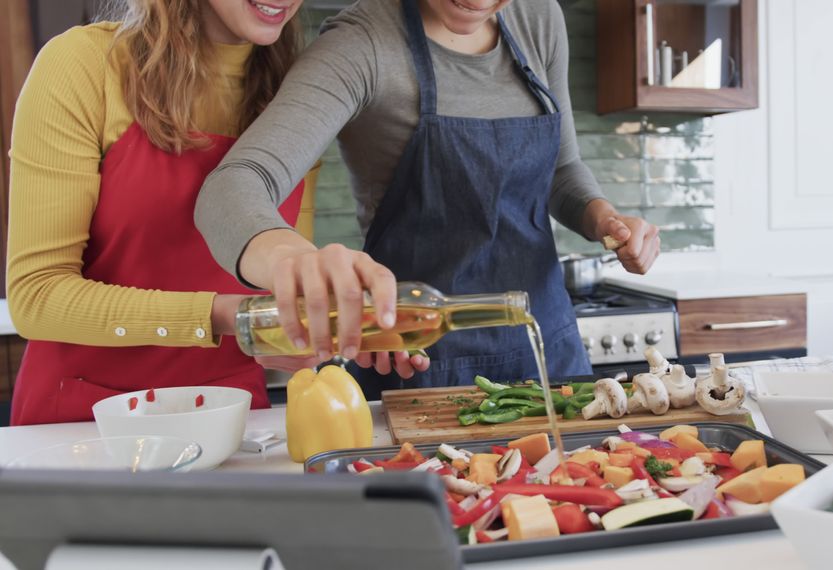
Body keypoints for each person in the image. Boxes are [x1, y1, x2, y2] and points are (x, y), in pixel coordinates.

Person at [195, 0, 661, 398]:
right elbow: (234, 185)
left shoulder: (538, 19)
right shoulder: (362, 43)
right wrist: (292, 260)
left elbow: (562, 170)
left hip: (547, 345)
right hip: (416, 363)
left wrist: (606, 220)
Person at [6, 0, 318, 425]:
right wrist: (226, 317)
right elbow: (36, 297)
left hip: (235, 422)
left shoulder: (301, 101)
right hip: (85, 426)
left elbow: (281, 297)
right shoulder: (84, 66)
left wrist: (339, 326)